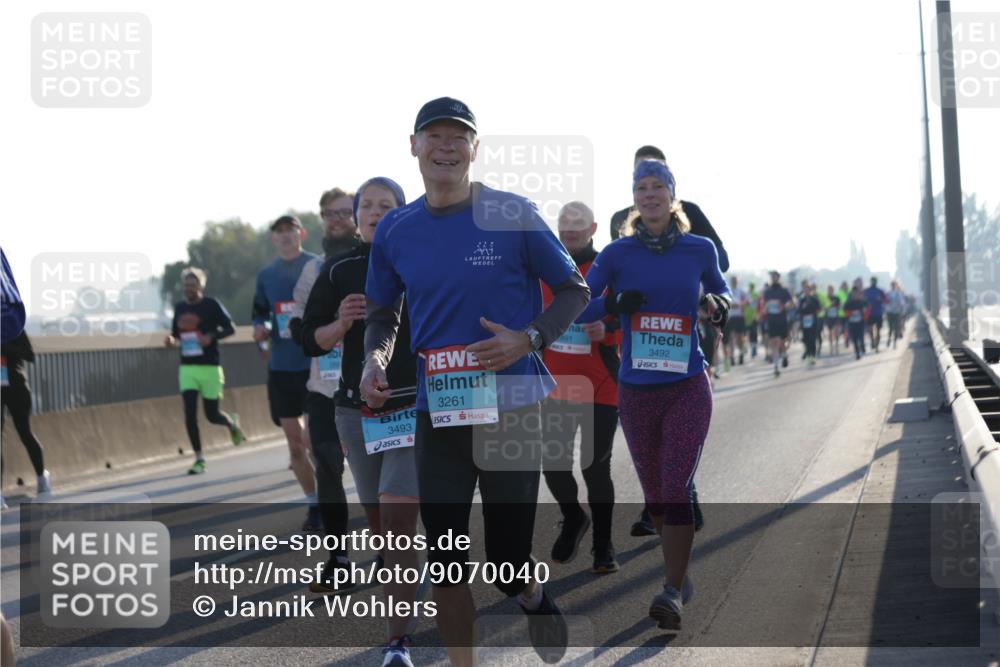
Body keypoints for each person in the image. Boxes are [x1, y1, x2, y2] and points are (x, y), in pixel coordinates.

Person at [362, 97, 589, 666]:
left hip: (511, 402)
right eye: (433, 135)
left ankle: (531, 594)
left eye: (458, 136)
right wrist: (375, 360)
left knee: (508, 560)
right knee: (444, 555)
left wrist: (529, 338)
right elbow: (383, 313)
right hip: (438, 409)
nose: (445, 145)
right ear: (412, 146)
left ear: (475, 149)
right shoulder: (396, 228)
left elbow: (573, 290)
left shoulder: (511, 214)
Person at [576, 159, 731, 631]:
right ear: (634, 198)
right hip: (637, 390)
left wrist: (715, 305)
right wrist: (613, 305)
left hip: (687, 385)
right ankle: (678, 571)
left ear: (671, 196)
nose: (649, 195)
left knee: (677, 484)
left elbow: (723, 293)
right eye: (641, 188)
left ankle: (669, 591)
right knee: (656, 496)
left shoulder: (698, 248)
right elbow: (580, 302)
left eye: (657, 187)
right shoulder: (617, 254)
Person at [302, 177, 420, 665]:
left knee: (395, 522)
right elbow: (309, 339)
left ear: (402, 211)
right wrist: (342, 324)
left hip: (415, 406)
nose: (374, 212)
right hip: (356, 410)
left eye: (385, 205)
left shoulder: (423, 261)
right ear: (356, 214)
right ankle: (409, 581)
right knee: (380, 524)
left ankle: (397, 642)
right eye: (366, 205)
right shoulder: (339, 269)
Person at [541, 201, 621, 574]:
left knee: (594, 467)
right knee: (553, 464)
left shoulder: (608, 268)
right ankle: (574, 516)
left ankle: (603, 548)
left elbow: (631, 319)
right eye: (563, 224)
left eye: (577, 224)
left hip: (600, 385)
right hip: (555, 386)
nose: (569, 230)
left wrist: (608, 331)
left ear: (593, 227)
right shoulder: (545, 269)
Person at [288, 187, 360, 597]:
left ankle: (392, 552)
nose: (337, 220)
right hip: (324, 386)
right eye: (329, 214)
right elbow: (297, 323)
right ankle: (340, 560)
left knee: (378, 478)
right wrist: (316, 333)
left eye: (344, 213)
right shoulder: (313, 270)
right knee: (328, 467)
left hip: (370, 384)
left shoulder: (373, 262)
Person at [252, 215, 320, 531]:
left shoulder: (317, 265)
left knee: (313, 440)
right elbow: (260, 314)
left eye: (289, 231)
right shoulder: (266, 275)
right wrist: (260, 330)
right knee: (295, 445)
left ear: (301, 233)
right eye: (278, 232)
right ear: (273, 239)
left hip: (314, 365)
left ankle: (331, 492)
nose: (284, 236)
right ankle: (314, 506)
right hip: (280, 367)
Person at [165, 268, 245, 474]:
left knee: (212, 415)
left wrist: (211, 336)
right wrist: (171, 341)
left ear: (201, 286)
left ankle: (230, 423)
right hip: (187, 368)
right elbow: (175, 334)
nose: (189, 289)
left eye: (193, 285)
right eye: (186, 286)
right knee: (189, 413)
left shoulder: (211, 305)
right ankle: (199, 459)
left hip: (210, 367)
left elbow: (231, 328)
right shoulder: (180, 308)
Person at [609, 146, 730, 273]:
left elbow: (722, 262)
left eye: (656, 169)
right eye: (642, 168)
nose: (649, 172)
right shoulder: (620, 219)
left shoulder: (690, 212)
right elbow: (613, 269)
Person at [1, 330, 51, 500]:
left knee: (25, 433)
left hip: (16, 386)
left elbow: (29, 355)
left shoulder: (13, 326)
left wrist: (5, 348)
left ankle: (41, 477)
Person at [762, 271, 794, 377]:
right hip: (772, 320)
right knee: (774, 342)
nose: (774, 278)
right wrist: (764, 310)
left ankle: (784, 355)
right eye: (772, 277)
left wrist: (784, 306)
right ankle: (776, 366)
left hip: (782, 319)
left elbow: (792, 303)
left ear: (779, 278)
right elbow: (764, 305)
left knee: (782, 341)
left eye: (775, 277)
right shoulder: (767, 291)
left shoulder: (784, 290)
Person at [723, 275, 749, 368]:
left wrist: (741, 304)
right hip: (730, 317)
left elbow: (747, 301)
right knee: (731, 337)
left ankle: (741, 352)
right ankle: (732, 357)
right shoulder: (727, 291)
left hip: (739, 317)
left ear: (738, 281)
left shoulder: (741, 291)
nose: (734, 282)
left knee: (739, 338)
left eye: (735, 280)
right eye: (732, 280)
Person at [798, 282, 822, 366]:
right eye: (805, 289)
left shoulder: (814, 299)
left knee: (812, 339)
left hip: (813, 321)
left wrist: (814, 311)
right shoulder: (801, 299)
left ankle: (812, 355)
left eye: (808, 289)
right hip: (804, 322)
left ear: (810, 290)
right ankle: (808, 354)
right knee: (806, 339)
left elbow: (819, 309)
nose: (806, 290)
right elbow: (799, 311)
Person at [844, 285, 869, 360]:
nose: (855, 295)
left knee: (860, 337)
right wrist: (850, 313)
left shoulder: (863, 302)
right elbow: (845, 310)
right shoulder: (849, 303)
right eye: (853, 294)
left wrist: (865, 315)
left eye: (856, 293)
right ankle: (857, 352)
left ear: (859, 294)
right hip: (852, 323)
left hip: (861, 323)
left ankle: (862, 346)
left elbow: (868, 309)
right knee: (854, 339)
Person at [863, 277, 887, 353]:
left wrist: (881, 299)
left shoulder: (880, 291)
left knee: (878, 331)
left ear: (876, 282)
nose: (873, 282)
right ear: (870, 281)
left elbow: (886, 300)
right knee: (870, 329)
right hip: (869, 313)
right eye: (872, 281)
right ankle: (872, 340)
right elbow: (862, 300)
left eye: (874, 281)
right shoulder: (866, 291)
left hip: (878, 313)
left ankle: (877, 346)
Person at [885, 280, 906, 348]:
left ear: (896, 285)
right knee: (891, 328)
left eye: (894, 284)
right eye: (892, 285)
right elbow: (885, 301)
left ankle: (895, 342)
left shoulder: (899, 293)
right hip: (890, 312)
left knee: (896, 327)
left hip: (897, 312)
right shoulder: (888, 293)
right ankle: (889, 339)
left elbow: (902, 303)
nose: (893, 286)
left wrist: (900, 305)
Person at [825, 288, 842, 356]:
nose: (830, 291)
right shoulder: (826, 298)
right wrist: (829, 305)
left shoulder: (836, 298)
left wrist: (836, 306)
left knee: (836, 332)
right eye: (829, 290)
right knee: (830, 333)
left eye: (831, 290)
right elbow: (824, 307)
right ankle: (831, 348)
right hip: (829, 318)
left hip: (836, 317)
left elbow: (839, 306)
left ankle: (837, 346)